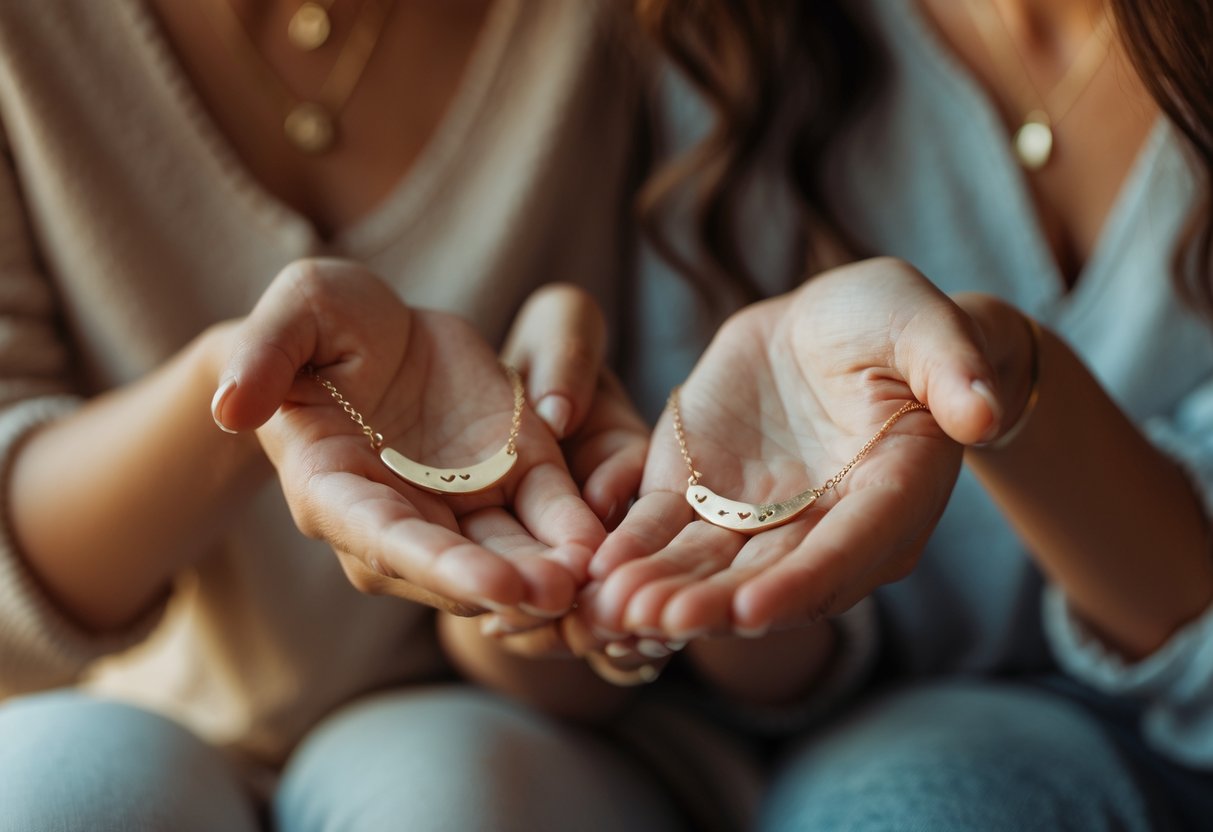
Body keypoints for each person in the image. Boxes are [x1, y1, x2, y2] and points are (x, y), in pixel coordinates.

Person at [0, 1, 721, 829]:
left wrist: (543, 587)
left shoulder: (636, 25)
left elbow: (708, 607)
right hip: (130, 709)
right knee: (47, 798)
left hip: (529, 721)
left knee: (452, 799)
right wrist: (253, 383)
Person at [520, 0, 1212, 829]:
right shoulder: (737, 33)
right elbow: (767, 646)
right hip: (877, 744)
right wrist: (703, 598)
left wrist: (1002, 370)